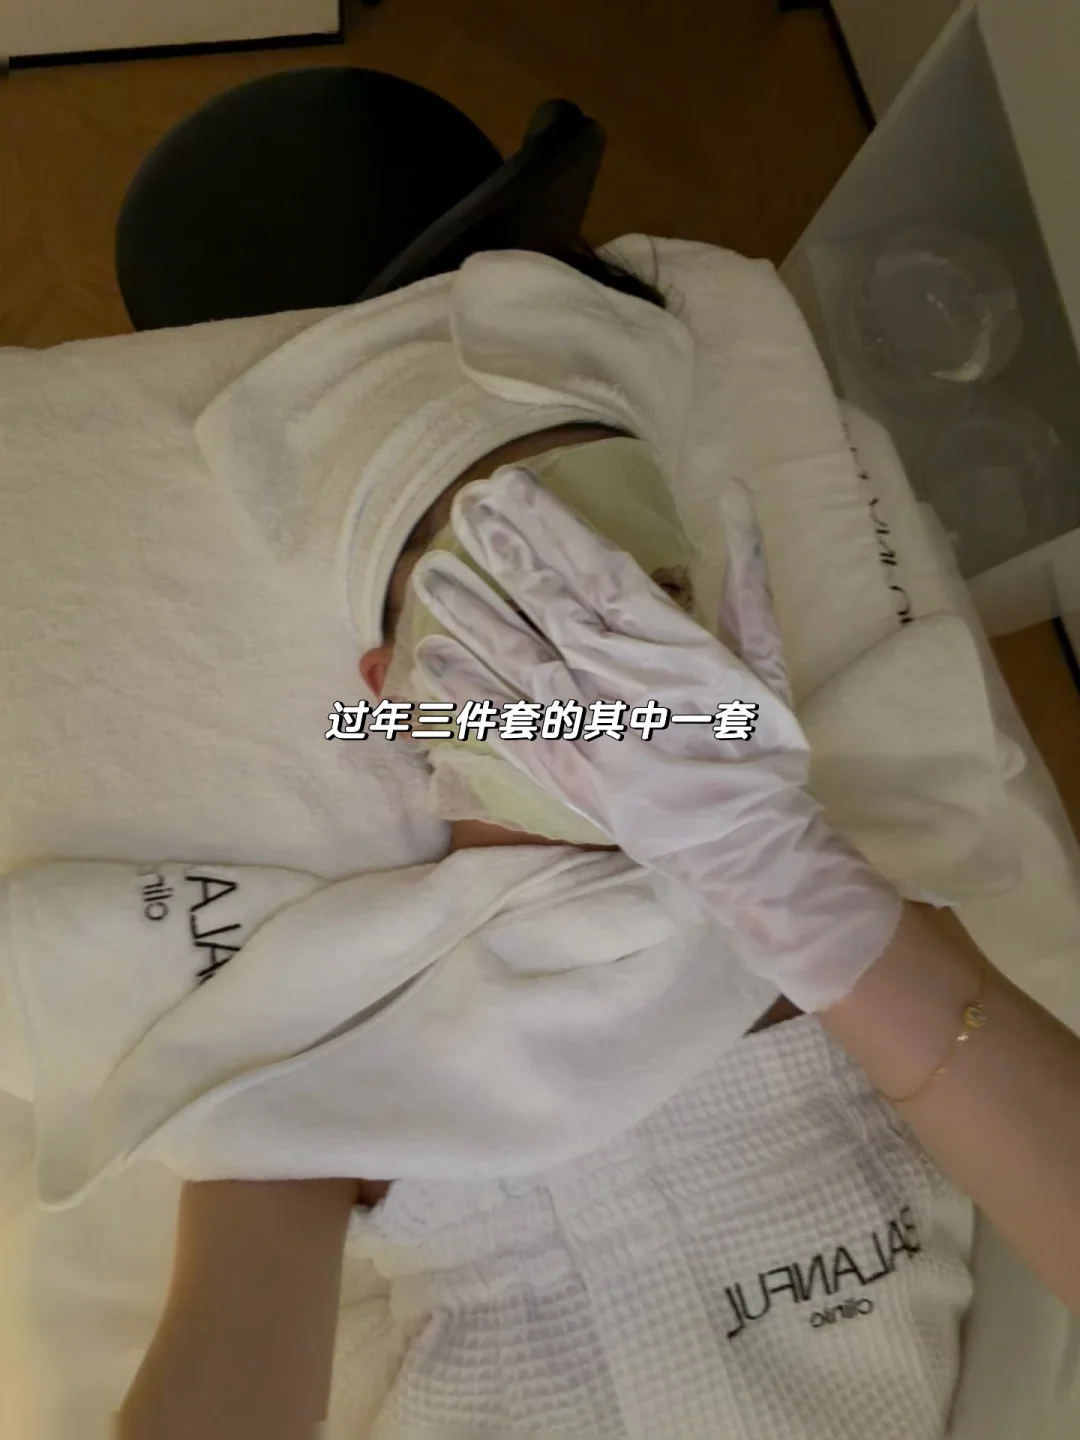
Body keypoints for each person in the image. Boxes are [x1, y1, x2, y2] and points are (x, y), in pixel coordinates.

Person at [118, 301, 1080, 1438]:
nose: (593, 678)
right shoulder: (330, 1016)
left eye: (651, 600)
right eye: (516, 617)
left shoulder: (862, 905)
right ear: (395, 689)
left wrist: (778, 869)